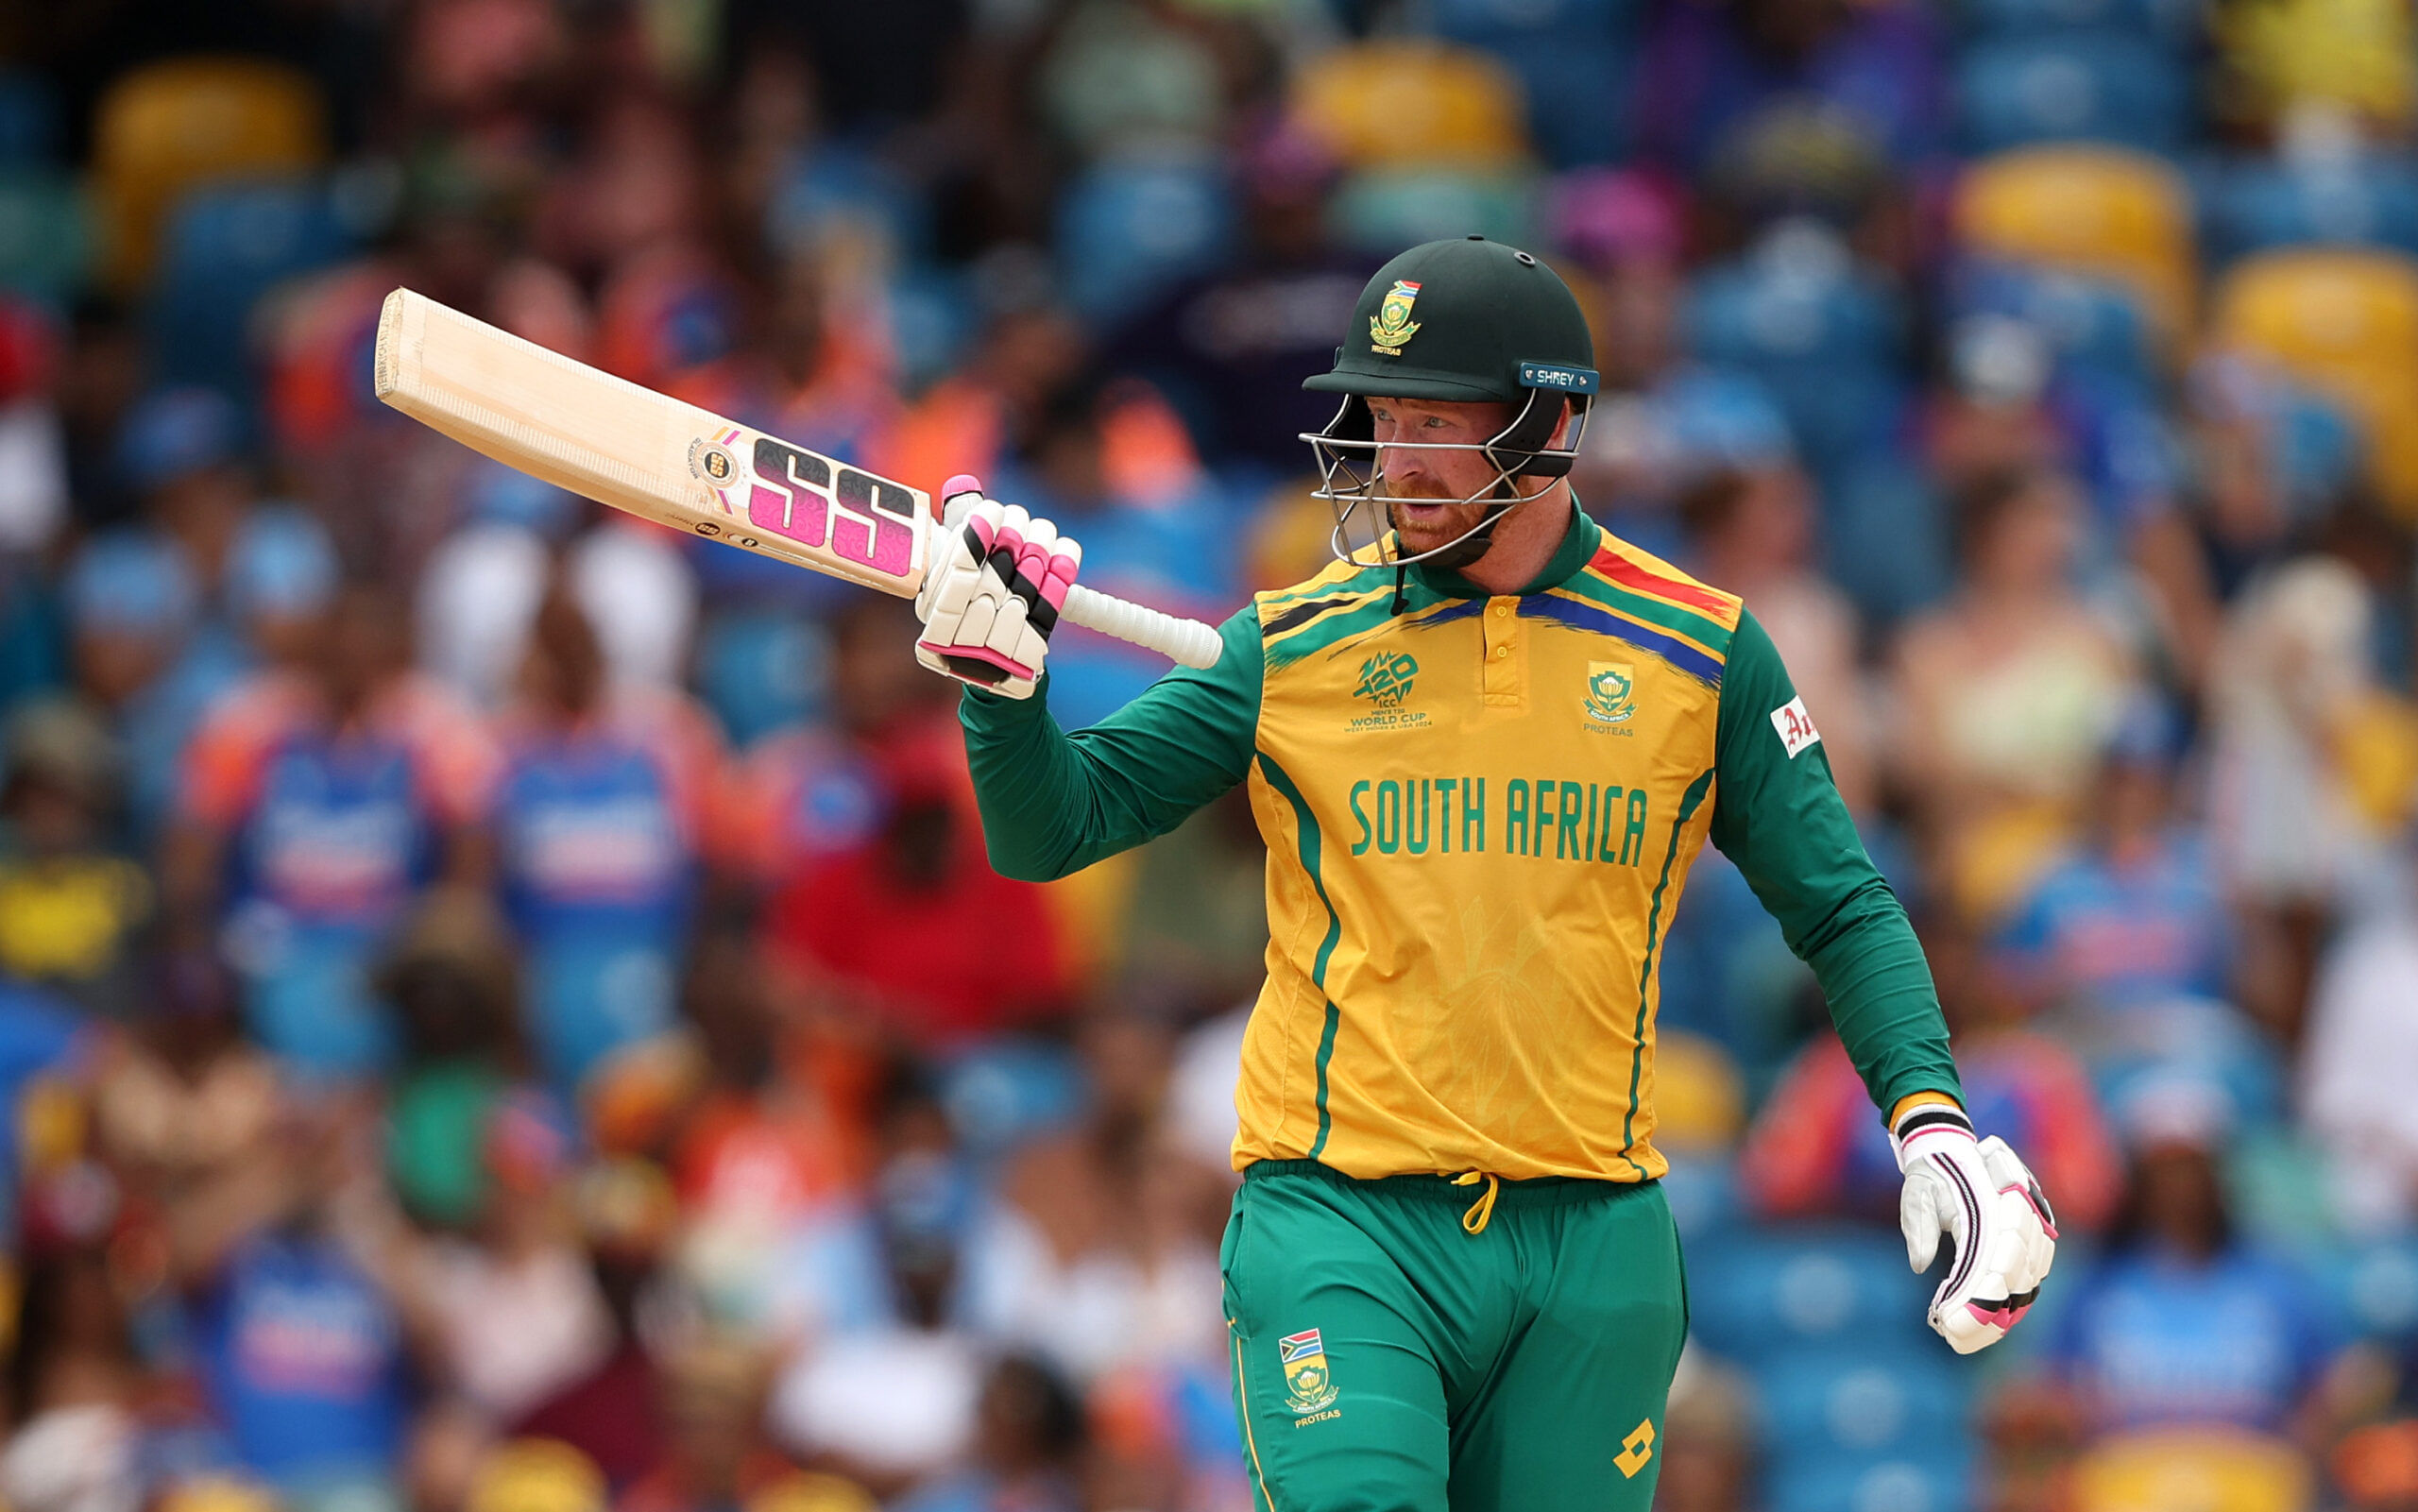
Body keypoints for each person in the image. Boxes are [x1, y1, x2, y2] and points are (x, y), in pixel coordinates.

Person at [909, 236, 2058, 1510]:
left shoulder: (1704, 651)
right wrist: (1002, 695)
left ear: (1552, 420)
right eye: (1384, 416)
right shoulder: (1289, 643)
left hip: (1591, 1240)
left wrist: (1935, 1122)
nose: (1397, 459)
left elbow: (1841, 904)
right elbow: (1048, 831)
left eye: (1437, 420)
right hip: (1342, 1218)